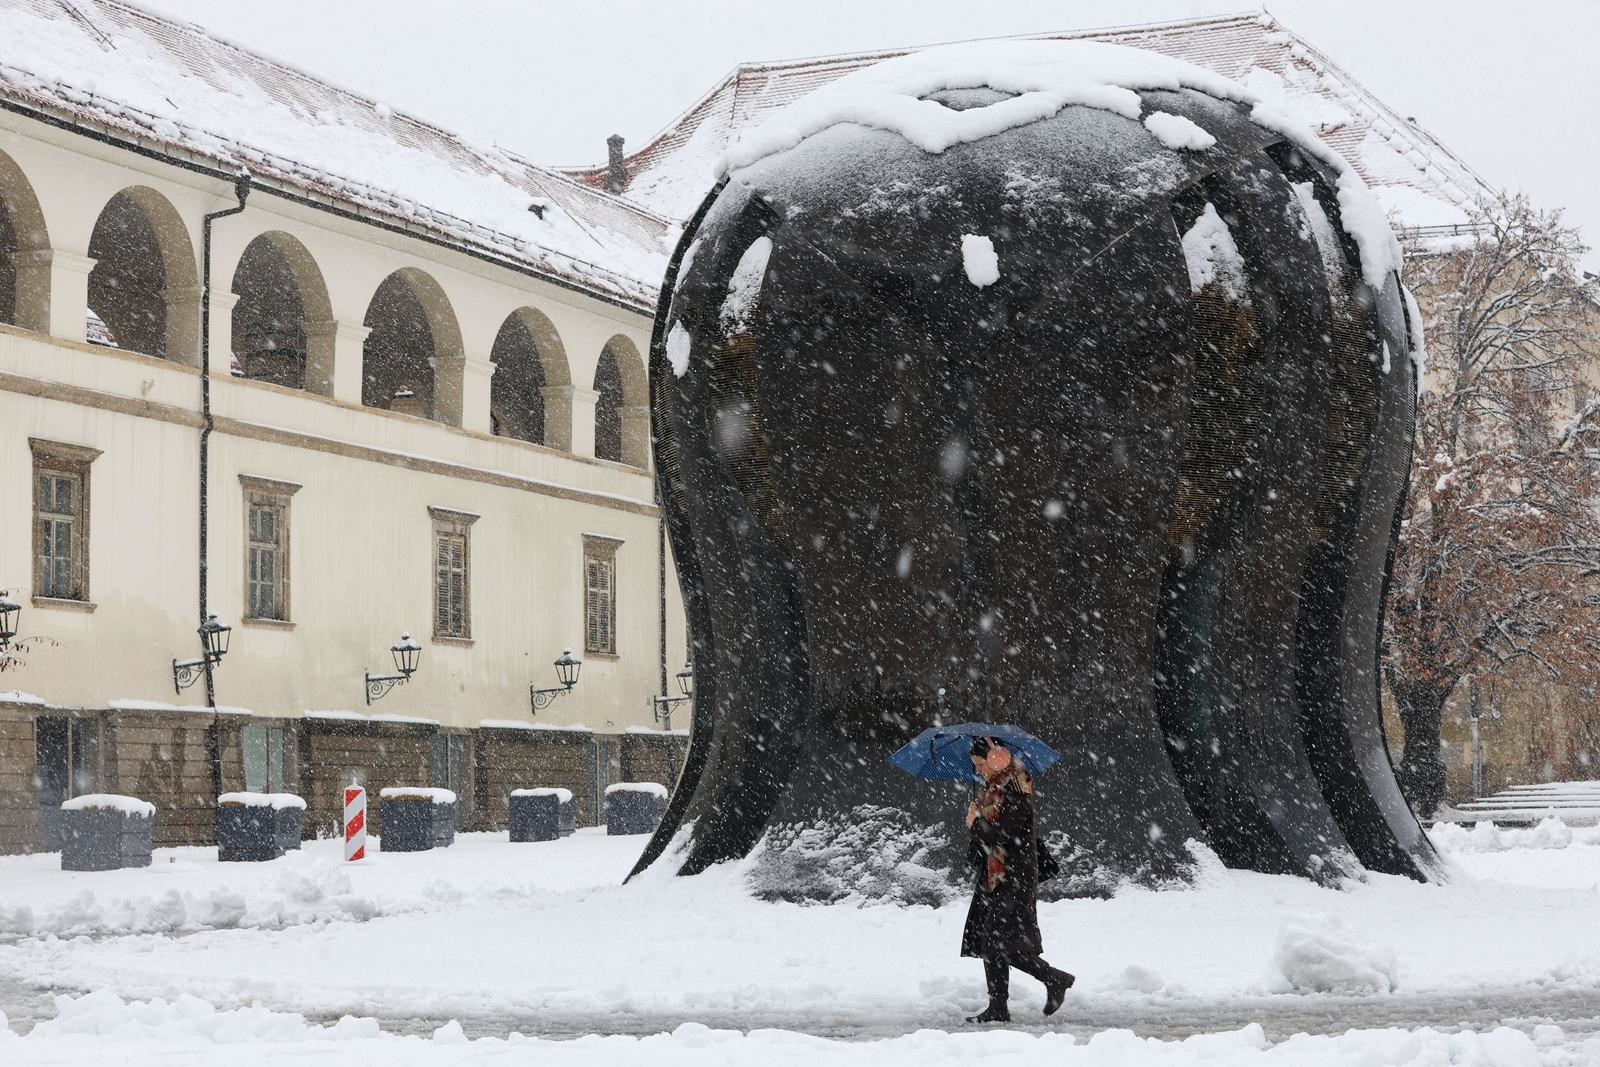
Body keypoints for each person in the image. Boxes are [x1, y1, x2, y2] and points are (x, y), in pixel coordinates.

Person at [962, 736, 1074, 1023]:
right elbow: (992, 837)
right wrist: (977, 817)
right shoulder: (993, 788)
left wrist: (976, 823)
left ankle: (1054, 978)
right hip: (997, 874)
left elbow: (1005, 836)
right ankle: (998, 1007)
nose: (977, 771)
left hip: (1014, 875)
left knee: (1002, 943)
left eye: (979, 765)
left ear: (995, 758)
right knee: (993, 941)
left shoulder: (1015, 786)